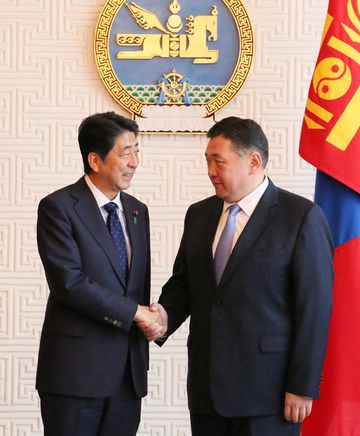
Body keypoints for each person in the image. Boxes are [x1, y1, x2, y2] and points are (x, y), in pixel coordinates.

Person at [145, 117, 334, 435]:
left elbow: (314, 309)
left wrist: (302, 385)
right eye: (207, 161)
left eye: (218, 161)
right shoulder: (199, 214)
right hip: (208, 392)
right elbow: (185, 284)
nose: (210, 171)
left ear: (253, 162)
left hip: (269, 394)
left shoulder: (301, 217)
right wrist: (162, 316)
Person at [36, 112, 161, 436]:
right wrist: (135, 313)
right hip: (75, 373)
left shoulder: (137, 211)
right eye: (125, 152)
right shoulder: (58, 208)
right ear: (95, 159)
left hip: (127, 375)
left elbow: (135, 286)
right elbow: (69, 282)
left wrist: (154, 316)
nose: (134, 162)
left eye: (137, 151)